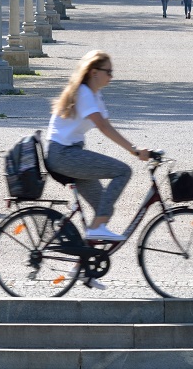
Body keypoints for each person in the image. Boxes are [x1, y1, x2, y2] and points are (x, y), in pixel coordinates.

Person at [43, 50, 151, 243]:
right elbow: (102, 126)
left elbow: (107, 125)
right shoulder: (84, 93)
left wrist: (137, 149)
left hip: (70, 153)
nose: (112, 76)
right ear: (94, 72)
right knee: (123, 171)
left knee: (105, 207)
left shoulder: (94, 94)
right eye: (108, 72)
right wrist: (134, 151)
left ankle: (81, 267)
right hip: (63, 155)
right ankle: (96, 230)